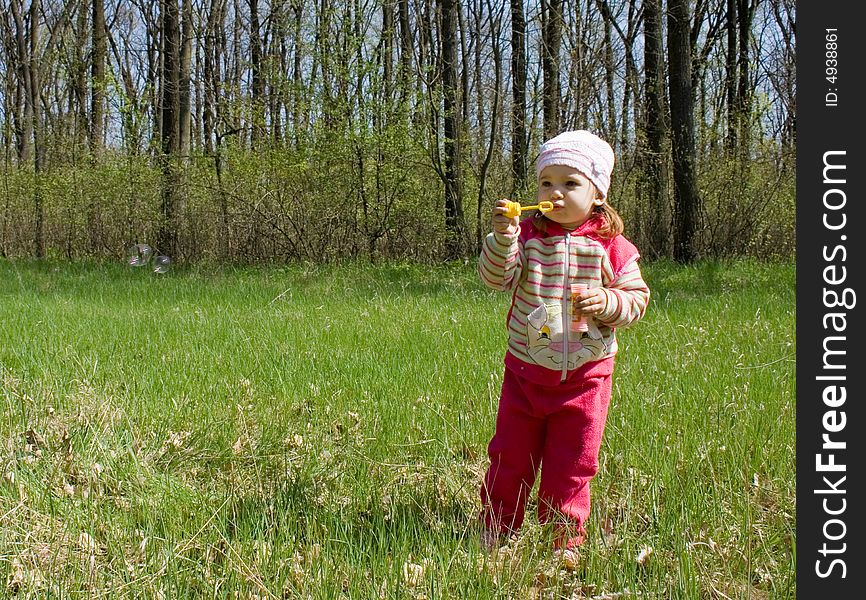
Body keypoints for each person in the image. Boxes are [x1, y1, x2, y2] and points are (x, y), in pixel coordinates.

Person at [477, 130, 650, 559]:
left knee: (572, 464)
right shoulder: (528, 240)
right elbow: (495, 278)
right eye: (546, 181)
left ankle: (563, 542)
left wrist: (608, 301)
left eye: (569, 183)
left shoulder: (613, 248)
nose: (554, 192)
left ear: (596, 195)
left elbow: (636, 300)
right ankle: (498, 528)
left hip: (586, 379)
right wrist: (502, 238)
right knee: (509, 456)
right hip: (526, 372)